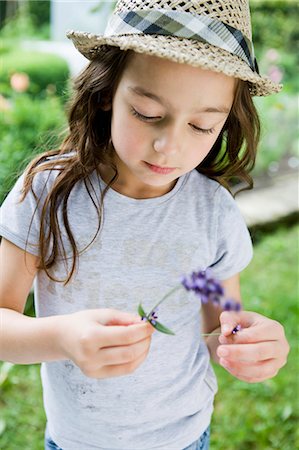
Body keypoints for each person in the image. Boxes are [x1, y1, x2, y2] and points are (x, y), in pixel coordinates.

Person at [0, 1, 290, 449]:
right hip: (78, 440)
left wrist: (245, 346)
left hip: (184, 437)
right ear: (105, 94)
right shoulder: (46, 194)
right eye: (148, 113)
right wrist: (62, 336)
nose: (167, 146)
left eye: (201, 125)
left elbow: (218, 326)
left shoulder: (211, 214)